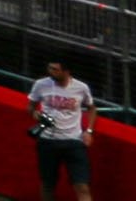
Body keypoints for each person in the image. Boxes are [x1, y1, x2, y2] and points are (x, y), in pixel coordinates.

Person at [26, 56, 93, 199]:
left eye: (55, 69)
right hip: (47, 140)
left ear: (66, 71)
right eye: (49, 68)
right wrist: (35, 113)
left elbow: (92, 108)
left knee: (82, 185)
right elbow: (30, 106)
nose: (51, 72)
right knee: (47, 184)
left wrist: (89, 131)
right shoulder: (40, 84)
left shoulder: (81, 88)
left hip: (74, 140)